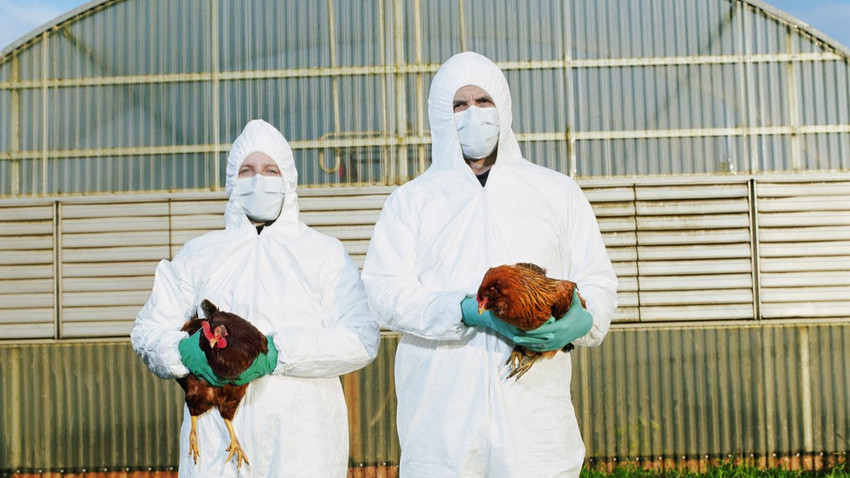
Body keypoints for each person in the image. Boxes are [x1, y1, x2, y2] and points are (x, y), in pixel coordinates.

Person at [361, 52, 618, 477]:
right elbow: (384, 293)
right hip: (442, 427)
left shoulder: (555, 192)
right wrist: (460, 310)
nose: (472, 114)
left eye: (483, 101)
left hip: (534, 431)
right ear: (440, 117)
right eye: (459, 105)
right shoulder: (412, 202)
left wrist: (582, 316)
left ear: (504, 109)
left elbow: (599, 281)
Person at [131, 119, 380, 478]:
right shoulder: (200, 255)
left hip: (303, 447)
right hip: (217, 445)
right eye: (247, 171)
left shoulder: (322, 254)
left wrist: (277, 353)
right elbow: (147, 330)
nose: (258, 180)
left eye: (269, 170)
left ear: (288, 180)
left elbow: (361, 338)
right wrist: (183, 353)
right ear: (232, 181)